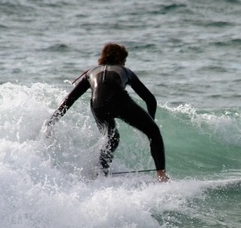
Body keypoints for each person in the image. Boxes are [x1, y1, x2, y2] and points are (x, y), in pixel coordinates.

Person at [45, 43, 169, 182]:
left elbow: (69, 100)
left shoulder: (90, 72)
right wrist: (150, 122)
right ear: (121, 60)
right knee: (154, 132)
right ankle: (161, 176)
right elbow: (150, 99)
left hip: (98, 106)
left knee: (112, 138)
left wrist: (52, 122)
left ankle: (101, 175)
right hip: (120, 102)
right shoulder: (125, 71)